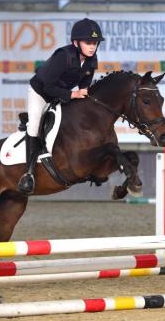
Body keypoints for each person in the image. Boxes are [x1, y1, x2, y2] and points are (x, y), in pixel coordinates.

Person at [17, 18, 105, 194]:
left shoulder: (91, 60)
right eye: (88, 42)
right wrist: (73, 95)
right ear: (75, 42)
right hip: (40, 93)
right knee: (34, 127)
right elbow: (49, 86)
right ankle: (29, 173)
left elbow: (84, 87)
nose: (92, 46)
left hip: (61, 94)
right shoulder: (63, 56)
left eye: (95, 43)